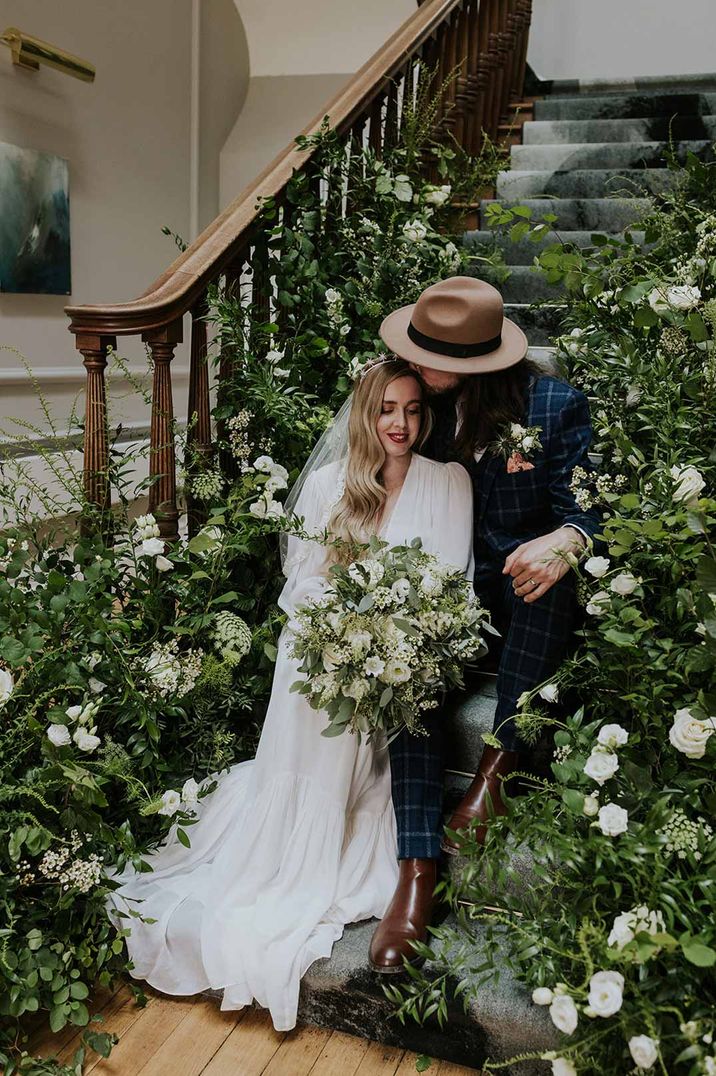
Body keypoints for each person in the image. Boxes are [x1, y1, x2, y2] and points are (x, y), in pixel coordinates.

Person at [107, 358, 475, 1031]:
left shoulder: (448, 483)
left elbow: (452, 582)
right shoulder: (333, 486)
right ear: (365, 413)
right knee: (311, 679)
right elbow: (299, 587)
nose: (400, 423)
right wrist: (345, 630)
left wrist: (386, 639)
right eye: (387, 408)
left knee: (379, 698)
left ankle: (347, 815)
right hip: (330, 651)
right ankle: (294, 834)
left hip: (401, 657)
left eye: (414, 410)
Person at [368, 275, 602, 973]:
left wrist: (569, 540)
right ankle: (417, 872)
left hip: (526, 592)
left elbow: (588, 510)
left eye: (433, 358)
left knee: (547, 574)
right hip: (447, 586)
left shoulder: (555, 405)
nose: (417, 366)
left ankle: (496, 771)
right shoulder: (417, 403)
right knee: (408, 670)